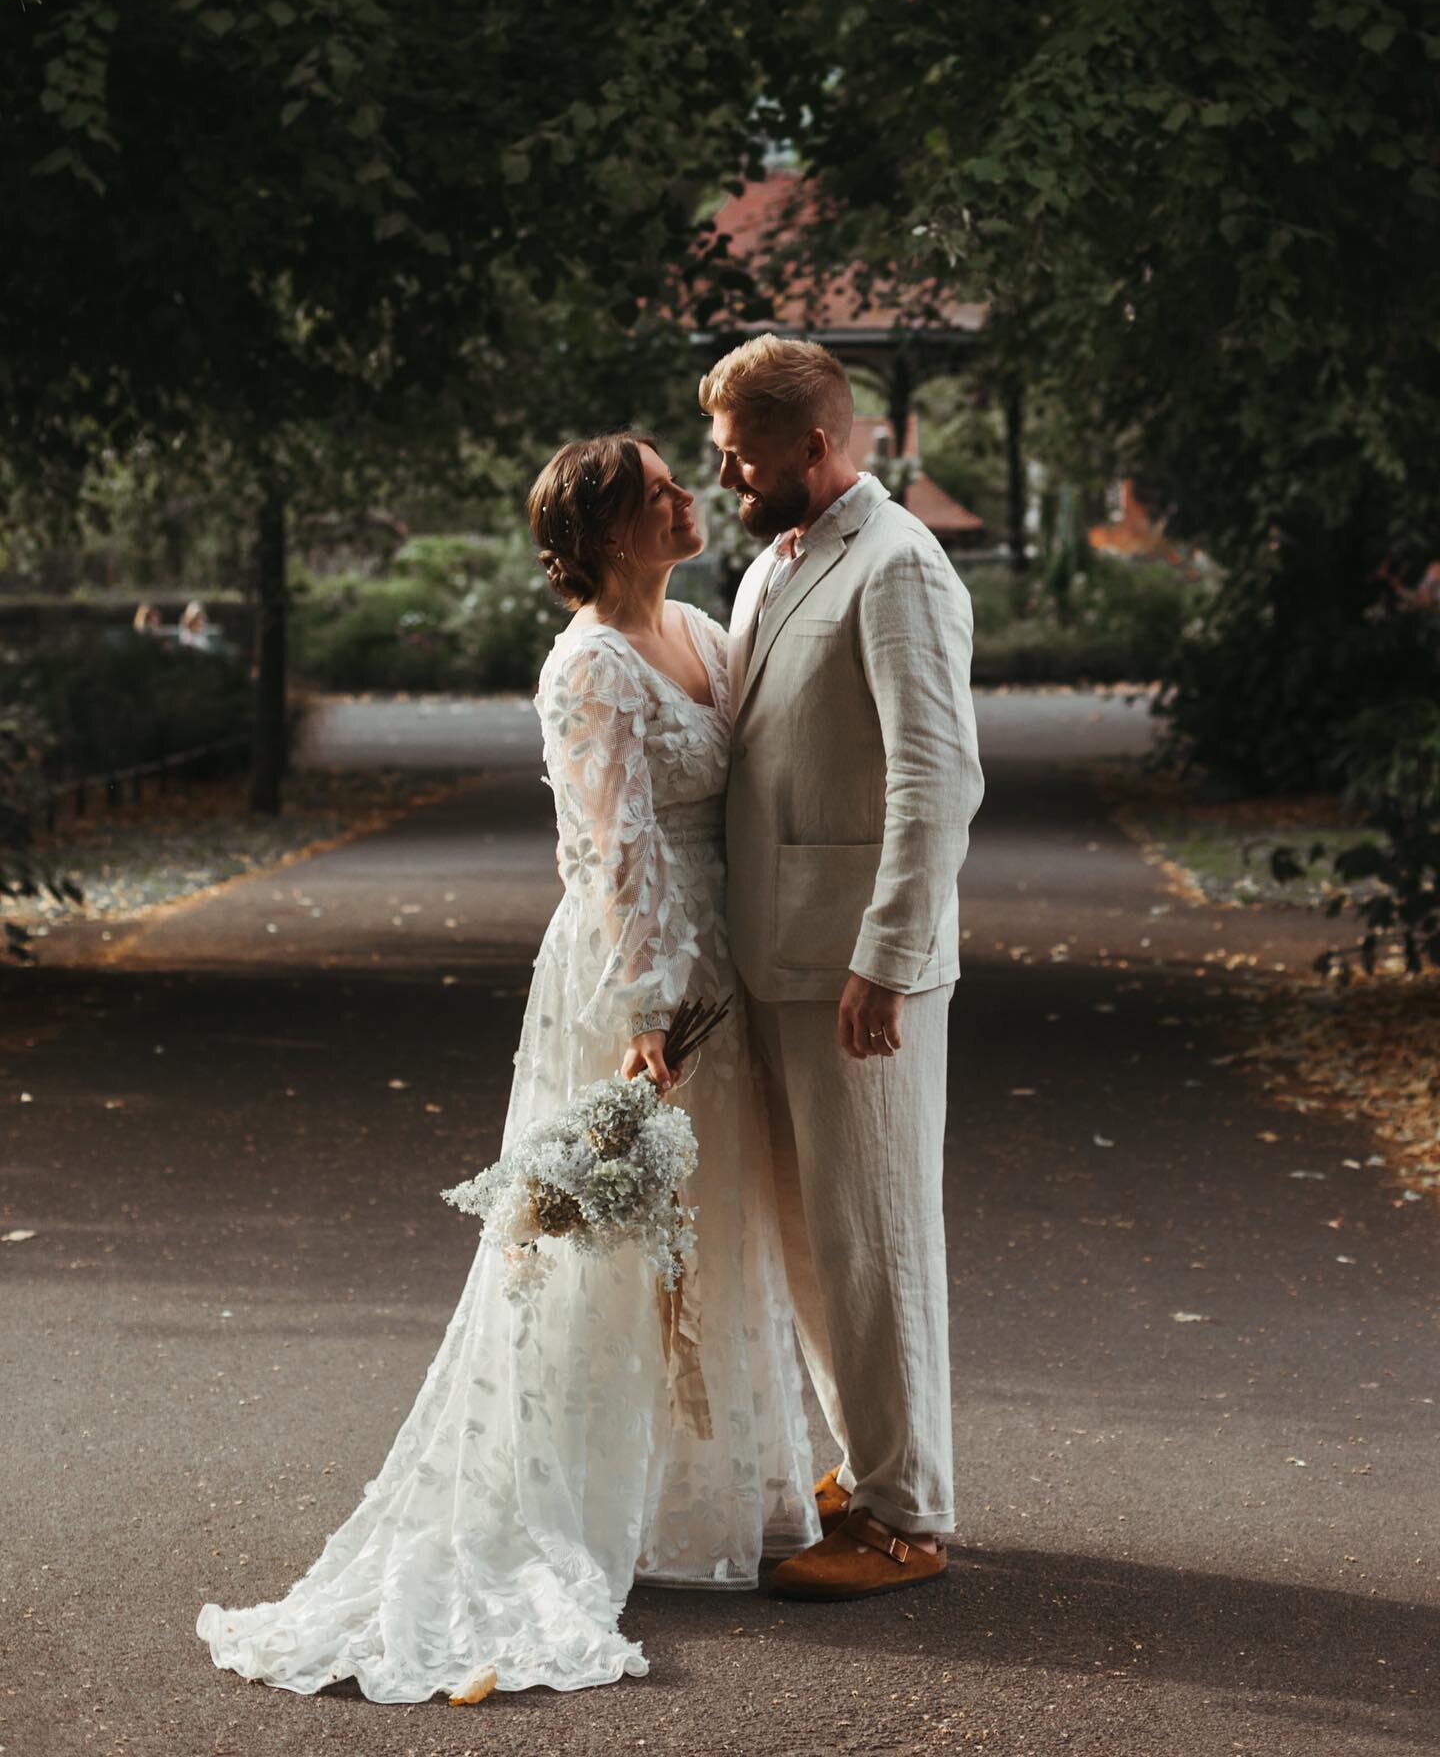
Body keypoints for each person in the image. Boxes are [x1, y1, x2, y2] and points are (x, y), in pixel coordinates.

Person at [196, 433, 816, 1703]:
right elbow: (611, 850)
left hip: (727, 963)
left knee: (714, 1225)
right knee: (610, 1239)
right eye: (658, 492)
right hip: (635, 975)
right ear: (603, 533)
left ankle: (700, 1497)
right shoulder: (585, 667)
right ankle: (574, 1503)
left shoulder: (701, 630)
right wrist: (650, 1007)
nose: (685, 497)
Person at [701, 334, 984, 1601]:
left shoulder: (899, 567)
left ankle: (909, 1514)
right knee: (818, 1242)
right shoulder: (777, 563)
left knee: (875, 1240)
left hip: (861, 970)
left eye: (740, 454)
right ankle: (874, 1462)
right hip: (778, 956)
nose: (724, 477)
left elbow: (939, 779)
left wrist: (890, 952)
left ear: (815, 445)